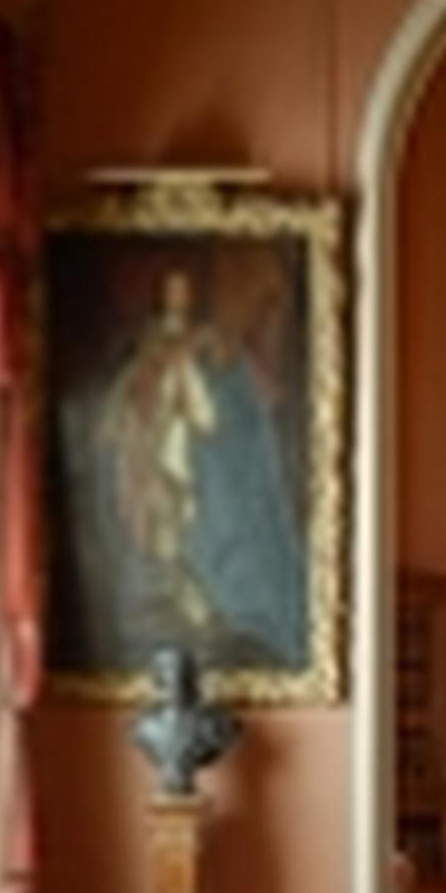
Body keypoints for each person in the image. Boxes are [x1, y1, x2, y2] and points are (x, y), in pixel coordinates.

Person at [100, 264, 305, 662]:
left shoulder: (208, 341)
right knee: (166, 521)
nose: (179, 299)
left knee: (202, 515)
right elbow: (137, 392)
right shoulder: (150, 343)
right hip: (164, 443)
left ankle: (206, 595)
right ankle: (180, 590)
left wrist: (199, 364)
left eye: (184, 291)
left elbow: (220, 390)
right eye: (171, 291)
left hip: (194, 443)